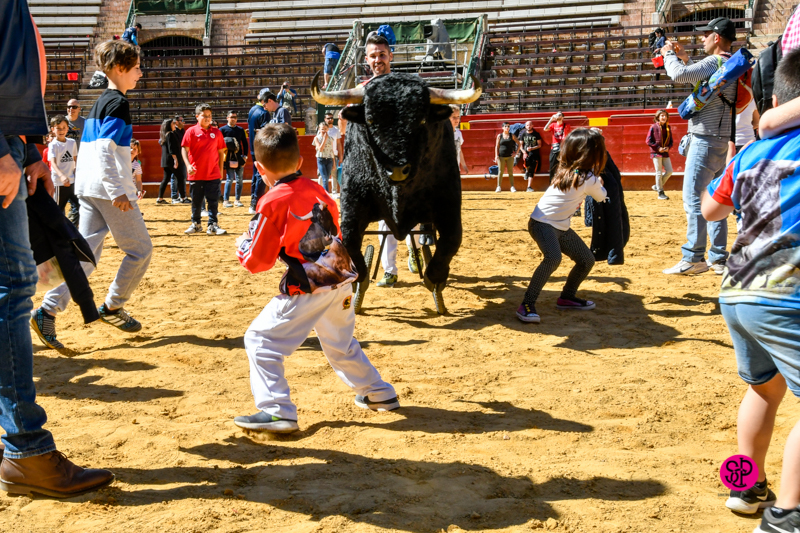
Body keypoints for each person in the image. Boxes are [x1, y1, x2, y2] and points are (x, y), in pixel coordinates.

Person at [0, 0, 114, 498]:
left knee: (13, 289)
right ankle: (26, 450)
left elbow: (19, 64)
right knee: (13, 291)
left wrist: (28, 144)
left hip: (13, 143)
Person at [233, 123, 400, 433]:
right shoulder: (318, 190)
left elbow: (258, 261)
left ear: (258, 168)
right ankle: (379, 393)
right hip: (342, 278)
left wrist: (242, 244)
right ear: (300, 162)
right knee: (340, 344)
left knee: (261, 341)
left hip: (309, 285)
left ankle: (276, 410)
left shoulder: (271, 201)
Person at [700, 47, 800, 532]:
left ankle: (744, 486)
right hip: (786, 292)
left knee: (763, 388)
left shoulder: (753, 153)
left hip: (738, 290)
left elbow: (711, 212)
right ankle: (789, 514)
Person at [32, 40, 152, 350]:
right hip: (106, 190)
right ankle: (113, 306)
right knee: (140, 251)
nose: (141, 72)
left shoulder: (101, 101)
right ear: (119, 69)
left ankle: (47, 311)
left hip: (87, 187)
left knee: (86, 255)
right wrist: (117, 190)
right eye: (136, 67)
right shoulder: (118, 104)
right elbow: (103, 151)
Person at [660, 17, 736, 275]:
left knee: (694, 198)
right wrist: (685, 58)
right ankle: (718, 257)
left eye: (705, 35)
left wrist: (668, 55)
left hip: (704, 138)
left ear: (716, 38)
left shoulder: (714, 61)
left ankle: (694, 256)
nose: (701, 39)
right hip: (722, 138)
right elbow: (707, 87)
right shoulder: (730, 64)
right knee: (715, 197)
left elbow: (679, 76)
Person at [516, 128, 608, 324]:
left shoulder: (566, 168)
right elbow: (601, 196)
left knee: (586, 259)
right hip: (543, 224)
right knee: (553, 258)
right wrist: (600, 180)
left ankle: (567, 297)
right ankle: (526, 304)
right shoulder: (589, 178)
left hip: (557, 226)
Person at [356, 33, 420, 287]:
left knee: (412, 216)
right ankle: (390, 270)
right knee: (386, 219)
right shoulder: (362, 90)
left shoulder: (406, 85)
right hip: (377, 166)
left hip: (404, 162)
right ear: (366, 59)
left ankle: (415, 253)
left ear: (390, 55)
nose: (378, 60)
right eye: (373, 56)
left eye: (382, 55)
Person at [181, 103, 227, 236]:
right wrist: (188, 165)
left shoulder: (217, 132)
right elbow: (184, 149)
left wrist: (220, 171)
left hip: (213, 173)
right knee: (196, 201)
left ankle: (213, 225)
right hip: (196, 173)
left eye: (209, 116)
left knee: (213, 201)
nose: (208, 118)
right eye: (204, 116)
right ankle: (196, 224)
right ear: (197, 116)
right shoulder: (191, 131)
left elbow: (220, 152)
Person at [248, 88, 278, 214]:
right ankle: (256, 203)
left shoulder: (252, 110)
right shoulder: (264, 113)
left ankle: (253, 201)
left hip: (253, 147)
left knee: (256, 174)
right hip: (261, 147)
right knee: (262, 174)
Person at [47, 115, 79, 215]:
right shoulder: (53, 144)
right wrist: (61, 176)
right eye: (58, 128)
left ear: (67, 129)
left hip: (72, 181)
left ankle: (74, 228)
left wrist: (78, 173)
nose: (61, 130)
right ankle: (55, 230)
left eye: (64, 128)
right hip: (59, 183)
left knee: (81, 206)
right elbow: (53, 162)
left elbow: (75, 159)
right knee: (57, 211)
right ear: (53, 129)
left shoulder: (72, 142)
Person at [220, 110, 248, 208]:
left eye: (235, 117)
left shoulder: (240, 130)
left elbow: (245, 143)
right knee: (230, 178)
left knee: (239, 179)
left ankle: (237, 200)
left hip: (239, 157)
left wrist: (245, 156)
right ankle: (226, 200)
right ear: (227, 118)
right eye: (231, 117)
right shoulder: (222, 130)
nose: (233, 119)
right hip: (228, 157)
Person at [646, 109, 674, 200]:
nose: (664, 117)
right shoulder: (653, 127)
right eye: (662, 115)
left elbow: (671, 141)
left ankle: (657, 186)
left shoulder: (668, 127)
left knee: (669, 171)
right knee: (658, 172)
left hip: (665, 152)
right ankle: (660, 192)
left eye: (665, 116)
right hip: (656, 153)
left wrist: (668, 147)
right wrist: (658, 148)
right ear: (658, 117)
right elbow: (648, 141)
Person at [735, 72, 760, 153]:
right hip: (749, 142)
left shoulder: (725, 101)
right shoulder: (751, 99)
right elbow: (757, 122)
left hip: (729, 142)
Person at [544, 112, 571, 181]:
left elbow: (566, 136)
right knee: (552, 167)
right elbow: (545, 129)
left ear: (562, 117)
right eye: (556, 115)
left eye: (559, 115)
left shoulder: (566, 125)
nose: (557, 116)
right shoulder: (553, 125)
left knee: (564, 166)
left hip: (563, 148)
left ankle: (564, 182)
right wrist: (551, 119)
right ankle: (551, 183)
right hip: (554, 147)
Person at [169, 114, 189, 204]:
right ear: (176, 122)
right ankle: (174, 196)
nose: (184, 122)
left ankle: (182, 196)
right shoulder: (172, 132)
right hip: (176, 157)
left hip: (183, 157)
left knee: (183, 177)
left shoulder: (183, 131)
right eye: (182, 120)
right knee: (175, 177)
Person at [156, 118, 177, 204]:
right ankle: (179, 197)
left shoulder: (163, 135)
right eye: (173, 123)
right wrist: (175, 159)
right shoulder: (170, 134)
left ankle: (160, 198)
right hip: (170, 160)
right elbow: (171, 149)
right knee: (179, 176)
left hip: (165, 160)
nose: (175, 125)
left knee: (166, 179)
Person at [518, 120, 542, 192]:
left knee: (532, 170)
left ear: (532, 125)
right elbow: (520, 145)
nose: (529, 126)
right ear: (525, 126)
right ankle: (526, 171)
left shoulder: (536, 134)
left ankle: (529, 186)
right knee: (527, 166)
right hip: (526, 154)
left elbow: (539, 145)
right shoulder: (523, 134)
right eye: (527, 125)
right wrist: (524, 152)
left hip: (534, 154)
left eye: (530, 125)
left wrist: (532, 148)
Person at [323, 112, 343, 196]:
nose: (330, 119)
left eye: (331, 118)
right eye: (328, 118)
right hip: (324, 155)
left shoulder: (336, 130)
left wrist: (341, 156)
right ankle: (324, 193)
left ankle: (334, 192)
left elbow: (339, 143)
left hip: (334, 155)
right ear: (325, 119)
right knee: (324, 176)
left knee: (334, 175)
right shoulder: (321, 129)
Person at [494, 122, 518, 193]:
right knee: (500, 171)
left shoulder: (512, 135)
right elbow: (497, 146)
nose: (507, 127)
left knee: (510, 172)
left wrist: (516, 153)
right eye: (505, 126)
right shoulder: (499, 136)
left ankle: (512, 186)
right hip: (501, 156)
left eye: (508, 126)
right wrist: (496, 155)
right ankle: (498, 186)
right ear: (502, 128)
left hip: (510, 156)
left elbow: (519, 144)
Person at [312, 122, 335, 192]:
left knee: (327, 178)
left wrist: (334, 163)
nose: (324, 130)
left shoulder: (330, 138)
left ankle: (324, 194)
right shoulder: (316, 138)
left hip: (329, 159)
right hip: (321, 159)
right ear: (319, 129)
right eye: (322, 129)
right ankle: (326, 195)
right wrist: (324, 139)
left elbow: (331, 150)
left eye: (325, 129)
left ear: (328, 129)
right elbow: (320, 149)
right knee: (324, 179)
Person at [450, 104, 469, 175]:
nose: (457, 119)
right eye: (453, 117)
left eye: (458, 117)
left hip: (456, 168)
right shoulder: (443, 133)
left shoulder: (459, 133)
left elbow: (459, 150)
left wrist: (464, 165)